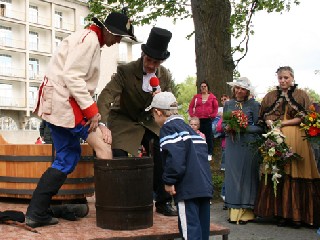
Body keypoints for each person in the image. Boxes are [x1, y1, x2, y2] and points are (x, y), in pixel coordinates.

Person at [26, 12, 137, 228]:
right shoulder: (91, 41)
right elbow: (73, 77)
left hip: (59, 101)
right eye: (117, 36)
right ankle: (110, 209)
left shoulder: (87, 38)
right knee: (104, 147)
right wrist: (93, 112)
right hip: (65, 102)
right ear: (108, 31)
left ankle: (35, 212)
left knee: (67, 157)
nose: (118, 41)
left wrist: (98, 119)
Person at [97, 27, 177, 216]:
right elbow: (107, 95)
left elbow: (172, 103)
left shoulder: (164, 76)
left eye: (155, 62)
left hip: (149, 121)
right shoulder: (126, 70)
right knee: (118, 153)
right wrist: (101, 123)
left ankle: (163, 201)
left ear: (161, 61)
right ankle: (120, 199)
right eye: (148, 60)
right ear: (143, 55)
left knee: (163, 150)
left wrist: (162, 97)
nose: (151, 65)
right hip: (124, 118)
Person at [254, 66, 320, 228]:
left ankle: (298, 216)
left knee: (296, 172)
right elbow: (263, 116)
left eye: (286, 78)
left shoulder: (301, 95)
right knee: (279, 174)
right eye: (280, 78)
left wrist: (283, 123)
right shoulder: (271, 96)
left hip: (297, 139)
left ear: (292, 77)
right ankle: (281, 214)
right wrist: (270, 122)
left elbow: (305, 116)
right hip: (276, 139)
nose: (283, 81)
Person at [145, 91, 213, 239]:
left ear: (158, 112)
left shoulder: (168, 129)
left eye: (153, 114)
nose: (154, 118)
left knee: (190, 231)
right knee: (202, 230)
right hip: (203, 187)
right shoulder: (190, 130)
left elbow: (175, 157)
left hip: (187, 189)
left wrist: (169, 181)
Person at [223, 77, 263, 224]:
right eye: (237, 88)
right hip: (233, 144)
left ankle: (247, 213)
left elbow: (260, 127)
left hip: (249, 144)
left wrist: (244, 127)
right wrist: (229, 127)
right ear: (234, 89)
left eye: (243, 89)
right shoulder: (229, 104)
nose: (239, 91)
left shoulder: (254, 105)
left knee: (248, 176)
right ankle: (233, 213)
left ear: (247, 91)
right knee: (232, 177)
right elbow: (225, 124)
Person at [188, 80, 219, 161]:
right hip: (198, 119)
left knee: (208, 136)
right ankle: (197, 151)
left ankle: (209, 153)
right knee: (196, 134)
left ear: (207, 87)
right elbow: (191, 107)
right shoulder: (196, 97)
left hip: (207, 119)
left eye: (205, 86)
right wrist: (192, 115)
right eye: (202, 87)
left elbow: (215, 108)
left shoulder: (212, 97)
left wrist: (212, 115)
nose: (203, 88)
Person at [216, 94, 230, 205]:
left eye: (226, 99)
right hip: (226, 146)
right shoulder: (223, 114)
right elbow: (218, 128)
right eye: (222, 100)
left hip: (238, 146)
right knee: (227, 170)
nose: (224, 101)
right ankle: (225, 194)